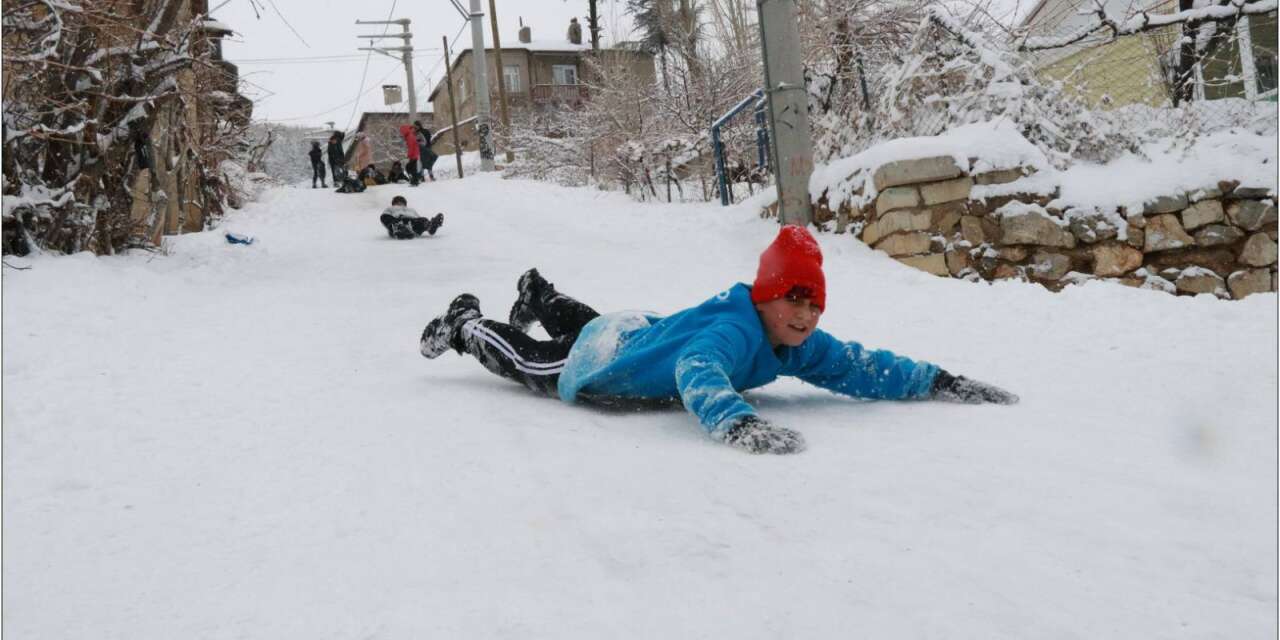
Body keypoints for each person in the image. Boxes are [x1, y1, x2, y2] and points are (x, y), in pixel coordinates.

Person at [418, 225, 1018, 455]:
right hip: (606, 357)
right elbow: (698, 370)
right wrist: (736, 422)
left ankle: (539, 293)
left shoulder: (796, 341)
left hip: (636, 331)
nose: (805, 315)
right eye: (794, 300)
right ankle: (466, 324)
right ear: (765, 296)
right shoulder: (736, 329)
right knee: (529, 361)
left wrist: (939, 381)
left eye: (814, 304)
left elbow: (859, 365)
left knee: (593, 322)